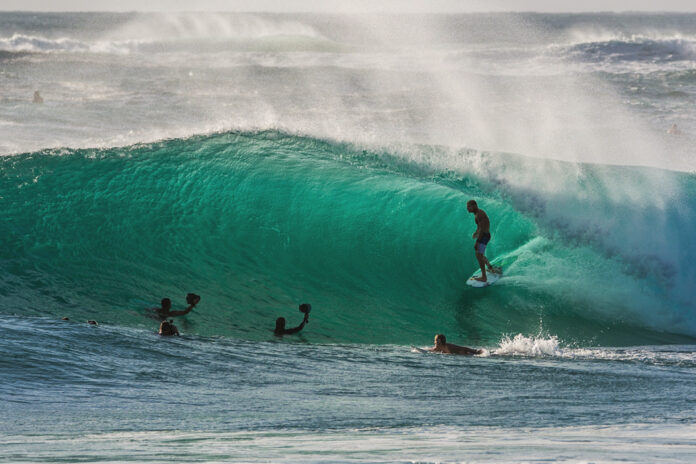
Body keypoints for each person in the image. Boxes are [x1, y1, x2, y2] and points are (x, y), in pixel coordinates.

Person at [467, 199, 500, 282]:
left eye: (469, 206)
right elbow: (479, 227)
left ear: (474, 206)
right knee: (479, 254)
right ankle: (489, 267)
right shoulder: (477, 214)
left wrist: (477, 242)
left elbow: (482, 229)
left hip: (484, 236)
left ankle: (484, 277)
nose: (467, 208)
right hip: (484, 235)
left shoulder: (479, 214)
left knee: (479, 255)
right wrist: (476, 232)